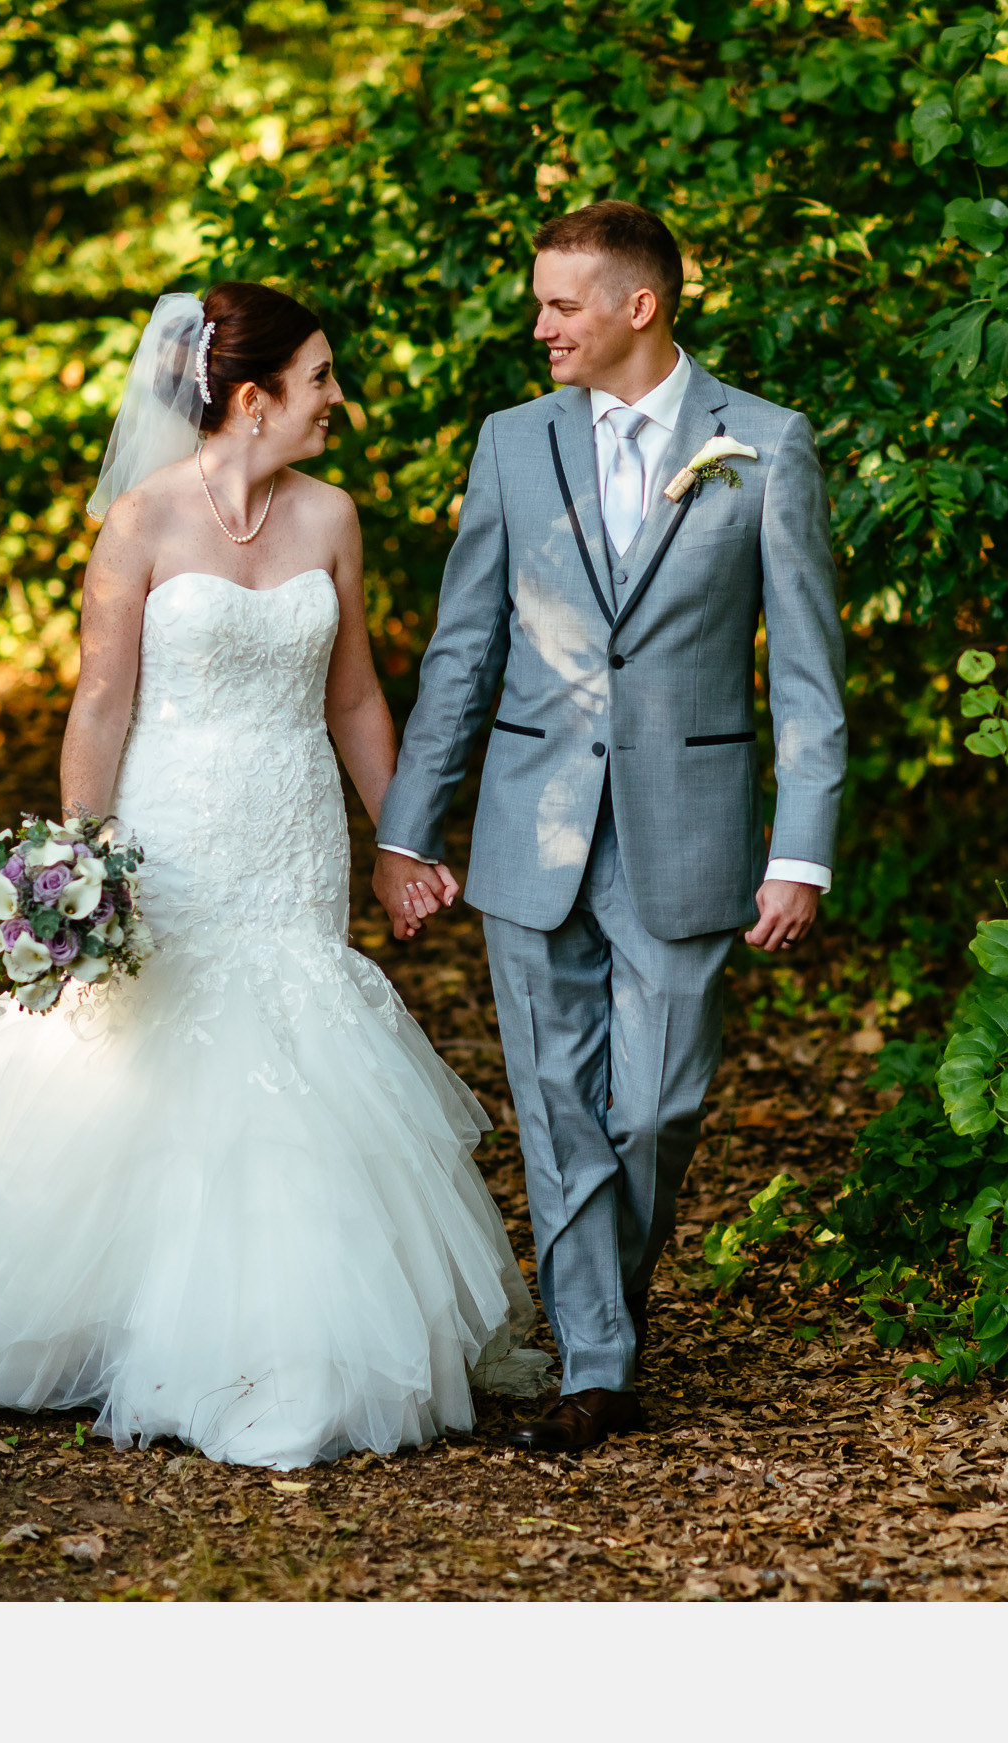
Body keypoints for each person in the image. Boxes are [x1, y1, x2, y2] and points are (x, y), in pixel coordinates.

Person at [0, 283, 545, 1470]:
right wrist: (76, 863)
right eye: (319, 381)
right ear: (251, 400)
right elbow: (100, 702)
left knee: (295, 1046)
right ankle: (106, 1320)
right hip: (173, 829)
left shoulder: (333, 519)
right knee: (139, 1052)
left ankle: (294, 1343)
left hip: (293, 834)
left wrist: (403, 842)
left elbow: (354, 693)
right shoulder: (141, 523)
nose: (337, 401)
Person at [374, 202, 847, 1453]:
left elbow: (805, 670)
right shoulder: (513, 444)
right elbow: (464, 649)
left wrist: (800, 851)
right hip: (533, 829)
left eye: (560, 305)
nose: (540, 327)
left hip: (690, 830)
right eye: (539, 304)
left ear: (639, 307)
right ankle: (596, 1361)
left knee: (654, 1108)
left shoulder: (766, 443)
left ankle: (603, 1320)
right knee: (553, 1100)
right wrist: (408, 830)